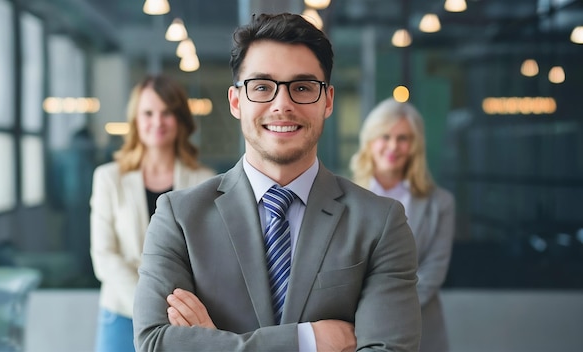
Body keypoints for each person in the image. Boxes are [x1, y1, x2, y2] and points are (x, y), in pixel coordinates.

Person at [133, 13, 421, 352]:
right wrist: (309, 340)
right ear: (236, 101)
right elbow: (154, 343)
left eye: (302, 87)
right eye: (262, 87)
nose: (282, 104)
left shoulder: (380, 222)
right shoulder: (179, 217)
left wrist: (214, 342)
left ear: (327, 100)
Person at [90, 74, 216, 352]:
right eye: (148, 113)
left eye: (167, 112)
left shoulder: (204, 181)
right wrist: (147, 302)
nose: (157, 122)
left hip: (180, 319)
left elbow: (207, 257)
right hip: (122, 313)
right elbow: (104, 256)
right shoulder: (109, 178)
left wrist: (170, 307)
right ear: (135, 118)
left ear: (181, 119)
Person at [349, 97, 456, 352]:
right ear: (370, 141)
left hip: (421, 332)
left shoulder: (440, 203)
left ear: (415, 145)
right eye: (384, 136)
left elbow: (433, 272)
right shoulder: (343, 197)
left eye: (403, 138)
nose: (393, 146)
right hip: (353, 333)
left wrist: (384, 313)